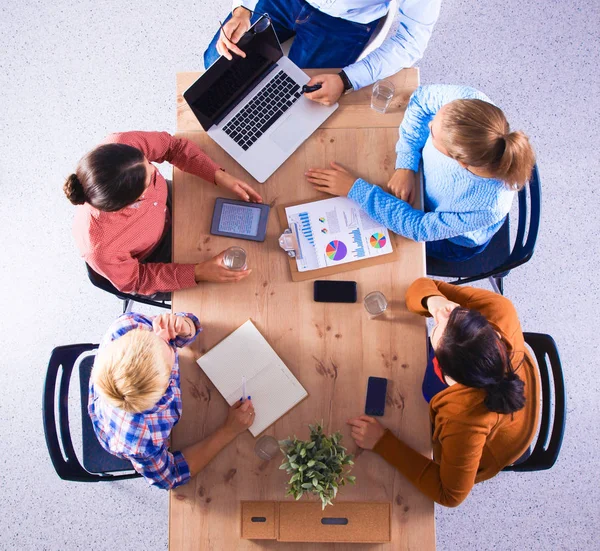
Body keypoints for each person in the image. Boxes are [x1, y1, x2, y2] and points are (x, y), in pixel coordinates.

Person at [347, 278, 540, 507]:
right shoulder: (500, 310)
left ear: (446, 378)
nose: (441, 319)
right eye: (454, 315)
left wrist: (382, 442)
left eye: (436, 329)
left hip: (497, 443)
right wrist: (436, 301)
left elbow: (451, 495)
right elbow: (422, 284)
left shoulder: (465, 420)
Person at [306, 85, 536, 261]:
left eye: (433, 134)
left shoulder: (488, 207)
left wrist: (355, 189)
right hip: (421, 187)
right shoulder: (469, 104)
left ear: (459, 161)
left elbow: (418, 228)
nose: (428, 125)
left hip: (452, 239)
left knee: (388, 249)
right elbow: (420, 101)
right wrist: (406, 164)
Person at [63, 131, 263, 296]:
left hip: (167, 204)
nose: (154, 169)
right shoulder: (101, 247)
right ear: (132, 202)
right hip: (156, 258)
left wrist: (217, 175)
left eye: (148, 163)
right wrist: (199, 272)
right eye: (150, 178)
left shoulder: (122, 147)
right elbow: (138, 280)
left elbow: (171, 147)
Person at [89, 311, 255, 489]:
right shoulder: (141, 440)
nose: (163, 334)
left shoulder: (126, 327)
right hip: (121, 432)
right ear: (164, 388)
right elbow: (171, 476)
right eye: (170, 348)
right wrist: (229, 430)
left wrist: (185, 327)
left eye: (154, 338)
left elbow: (177, 330)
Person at [204, 0, 441, 105]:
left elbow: (412, 40)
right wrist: (243, 8)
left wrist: (347, 80)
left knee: (297, 99)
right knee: (215, 63)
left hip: (343, 23)